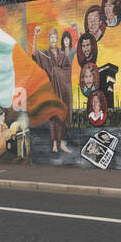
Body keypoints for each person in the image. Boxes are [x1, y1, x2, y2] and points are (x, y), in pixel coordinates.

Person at [31, 25, 73, 154]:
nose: (53, 39)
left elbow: (67, 66)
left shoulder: (61, 53)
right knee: (53, 115)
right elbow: (34, 53)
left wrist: (66, 47)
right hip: (52, 89)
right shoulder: (46, 54)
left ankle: (62, 143)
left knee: (63, 114)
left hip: (62, 88)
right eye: (51, 37)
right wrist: (35, 35)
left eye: (55, 37)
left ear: (57, 38)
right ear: (49, 39)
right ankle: (54, 143)